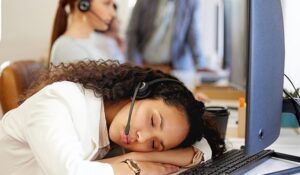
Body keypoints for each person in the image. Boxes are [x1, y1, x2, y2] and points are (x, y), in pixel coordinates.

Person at [0, 60, 225, 175]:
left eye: (155, 144)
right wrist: (133, 168)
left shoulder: (108, 131)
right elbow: (71, 173)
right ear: (141, 91)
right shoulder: (60, 101)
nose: (141, 136)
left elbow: (201, 151)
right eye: (152, 120)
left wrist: (139, 157)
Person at [126, 0, 206, 71]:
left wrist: (200, 63)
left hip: (176, 67)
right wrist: (134, 64)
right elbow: (132, 31)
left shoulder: (191, 2)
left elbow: (193, 34)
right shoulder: (144, 2)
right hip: (146, 65)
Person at [49, 0, 123, 66]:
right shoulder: (67, 47)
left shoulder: (97, 40)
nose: (113, 14)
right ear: (84, 5)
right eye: (106, 3)